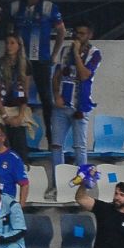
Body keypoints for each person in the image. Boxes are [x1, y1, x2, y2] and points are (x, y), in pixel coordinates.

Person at [49, 20, 100, 166]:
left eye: (82, 34)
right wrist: (56, 95)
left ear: (90, 35)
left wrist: (77, 54)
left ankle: (81, 184)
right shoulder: (65, 50)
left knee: (79, 146)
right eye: (76, 33)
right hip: (61, 105)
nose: (78, 36)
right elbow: (57, 75)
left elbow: (84, 75)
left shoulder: (95, 54)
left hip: (80, 106)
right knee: (56, 145)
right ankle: (57, 181)